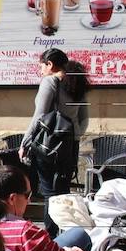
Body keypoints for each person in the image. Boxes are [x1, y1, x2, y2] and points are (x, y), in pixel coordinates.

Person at [21, 48, 90, 198]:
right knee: (62, 190)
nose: (41, 71)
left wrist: (25, 143)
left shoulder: (50, 81)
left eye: (42, 66)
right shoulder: (77, 83)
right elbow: (84, 118)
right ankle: (60, 221)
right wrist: (74, 137)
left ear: (50, 64)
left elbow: (39, 116)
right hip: (71, 145)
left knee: (49, 192)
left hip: (49, 144)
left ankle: (51, 223)